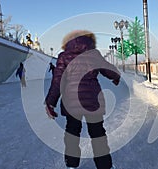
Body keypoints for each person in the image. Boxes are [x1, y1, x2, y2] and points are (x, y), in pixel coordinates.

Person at [44, 30, 120, 169]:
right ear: (89, 42)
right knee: (97, 133)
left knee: (72, 132)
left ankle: (72, 165)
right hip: (93, 100)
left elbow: (57, 82)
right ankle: (105, 166)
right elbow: (108, 69)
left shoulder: (63, 57)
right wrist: (116, 76)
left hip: (71, 101)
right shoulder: (94, 55)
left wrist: (50, 102)